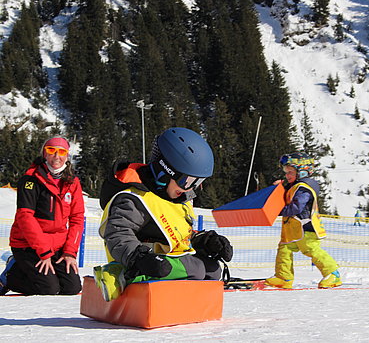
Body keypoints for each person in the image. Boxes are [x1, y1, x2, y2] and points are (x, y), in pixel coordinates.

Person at [94, 127, 233, 301]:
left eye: (197, 183)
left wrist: (204, 241)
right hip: (141, 266)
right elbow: (117, 234)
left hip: (169, 262)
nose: (189, 189)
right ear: (165, 171)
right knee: (195, 269)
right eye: (187, 181)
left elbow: (178, 235)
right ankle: (116, 277)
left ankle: (188, 302)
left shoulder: (179, 198)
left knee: (213, 269)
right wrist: (138, 258)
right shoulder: (135, 198)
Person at [0, 136, 85, 295]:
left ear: (67, 156)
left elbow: (77, 218)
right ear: (44, 154)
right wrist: (44, 252)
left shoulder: (72, 183)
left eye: (61, 152)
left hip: (57, 246)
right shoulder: (30, 180)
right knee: (49, 288)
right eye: (51, 151)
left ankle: (27, 268)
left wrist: (69, 252)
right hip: (28, 245)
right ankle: (11, 276)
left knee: (72, 288)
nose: (56, 156)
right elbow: (25, 217)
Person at [265, 152, 342, 289]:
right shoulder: (296, 185)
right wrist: (281, 186)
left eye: (290, 172)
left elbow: (296, 207)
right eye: (286, 172)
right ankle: (284, 277)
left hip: (306, 228)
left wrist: (278, 210)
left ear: (303, 173)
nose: (287, 175)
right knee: (284, 249)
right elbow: (289, 191)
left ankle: (333, 273)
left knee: (311, 250)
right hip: (294, 229)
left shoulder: (304, 188)